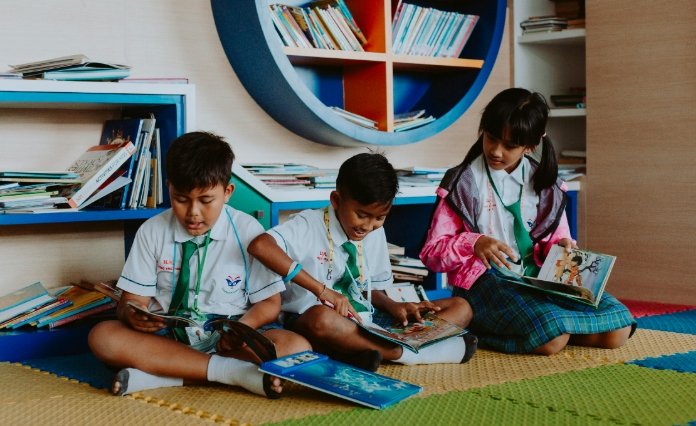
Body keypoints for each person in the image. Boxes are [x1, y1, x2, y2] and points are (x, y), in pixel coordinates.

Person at [88, 131, 310, 398]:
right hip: (168, 341)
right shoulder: (152, 231)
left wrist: (244, 329)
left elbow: (270, 303)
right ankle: (234, 373)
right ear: (169, 187)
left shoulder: (247, 230)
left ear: (227, 192)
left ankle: (161, 377)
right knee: (103, 336)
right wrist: (133, 314)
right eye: (181, 199)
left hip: (229, 341)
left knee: (296, 346)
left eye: (206, 201)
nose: (193, 212)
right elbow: (131, 300)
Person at [419, 88, 636, 355]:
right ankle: (482, 329)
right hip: (485, 283)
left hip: (538, 281)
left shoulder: (547, 184)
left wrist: (563, 247)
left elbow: (557, 239)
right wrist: (474, 243)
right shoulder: (461, 183)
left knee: (618, 328)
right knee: (552, 336)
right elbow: (432, 254)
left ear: (531, 145)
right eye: (491, 138)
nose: (496, 151)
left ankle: (548, 328)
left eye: (510, 145)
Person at [248, 152, 477, 372]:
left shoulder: (374, 232)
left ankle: (366, 350)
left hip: (367, 321)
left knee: (461, 307)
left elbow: (371, 290)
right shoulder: (308, 224)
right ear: (336, 200)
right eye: (361, 214)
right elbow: (260, 246)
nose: (368, 226)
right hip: (312, 319)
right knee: (322, 319)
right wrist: (322, 291)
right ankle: (406, 353)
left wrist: (394, 306)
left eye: (379, 217)